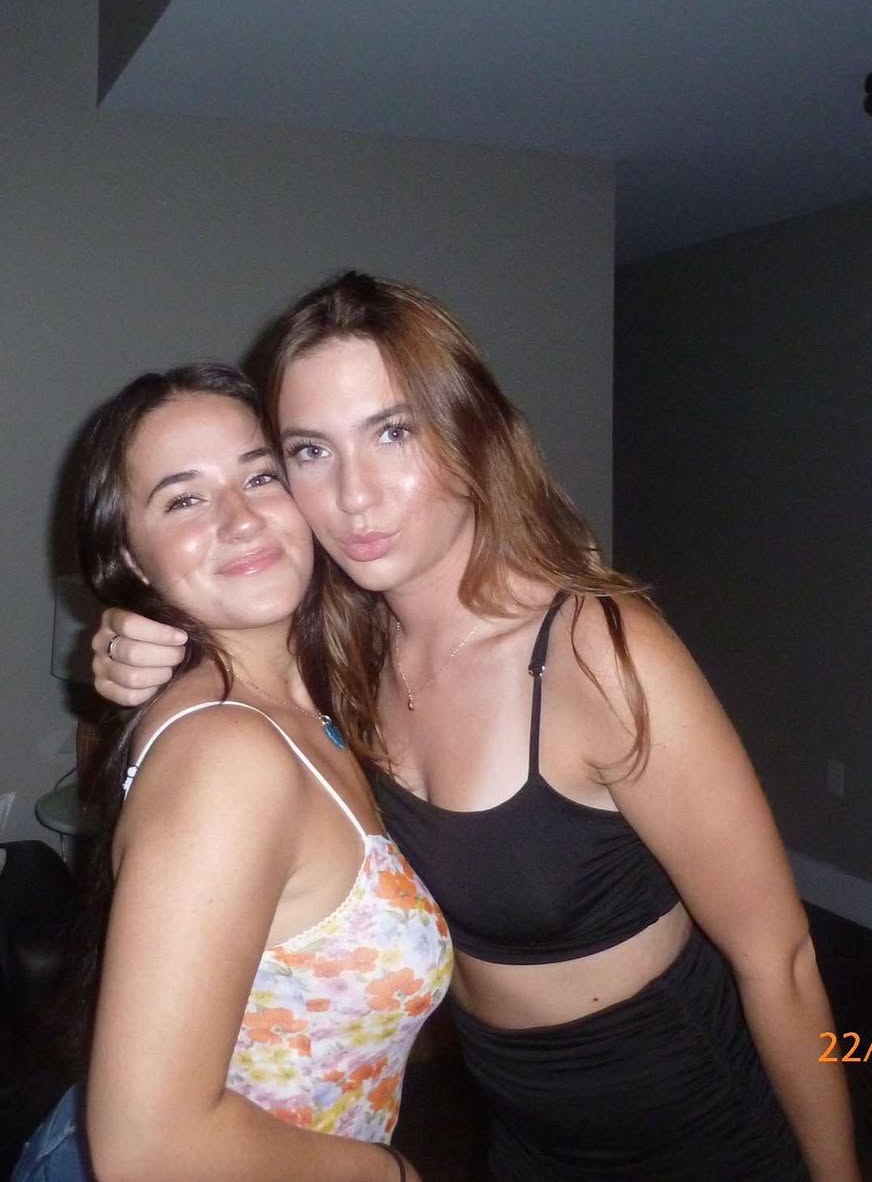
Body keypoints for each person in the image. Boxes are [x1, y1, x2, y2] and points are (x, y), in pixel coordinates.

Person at [92, 273, 859, 1181]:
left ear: (470, 432)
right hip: (517, 1134)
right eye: (310, 451)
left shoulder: (595, 652)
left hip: (693, 1119)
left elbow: (785, 959)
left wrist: (838, 1170)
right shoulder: (341, 650)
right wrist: (138, 638)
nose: (355, 496)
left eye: (393, 432)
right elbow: (229, 627)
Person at [13, 362, 452, 1182]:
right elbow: (149, 1148)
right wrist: (390, 1174)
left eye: (260, 476)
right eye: (183, 499)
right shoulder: (227, 756)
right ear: (132, 558)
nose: (241, 518)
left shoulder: (315, 698)